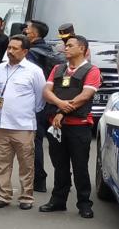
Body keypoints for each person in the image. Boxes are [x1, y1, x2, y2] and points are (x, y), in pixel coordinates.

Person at [40, 35, 101, 219]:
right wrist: (59, 104)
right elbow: (46, 91)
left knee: (81, 166)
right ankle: (58, 200)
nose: (64, 48)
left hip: (78, 127)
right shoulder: (58, 69)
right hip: (57, 127)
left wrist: (61, 112)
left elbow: (85, 95)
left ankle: (84, 204)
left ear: (82, 48)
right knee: (60, 166)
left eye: (69, 45)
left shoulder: (92, 70)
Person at [0, 35, 46, 210]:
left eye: (15, 49)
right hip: (1, 125)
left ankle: (26, 197)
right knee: (2, 163)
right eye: (9, 48)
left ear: (25, 51)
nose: (10, 51)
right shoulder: (0, 68)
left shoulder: (34, 71)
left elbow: (40, 98)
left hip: (23, 126)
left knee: (26, 164)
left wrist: (27, 113)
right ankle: (3, 195)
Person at [24, 20, 52, 192]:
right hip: (51, 102)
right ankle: (65, 182)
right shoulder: (50, 50)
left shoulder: (32, 54)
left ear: (35, 34)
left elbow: (32, 81)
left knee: (35, 143)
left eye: (28, 28)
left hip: (37, 104)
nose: (25, 31)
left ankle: (39, 180)